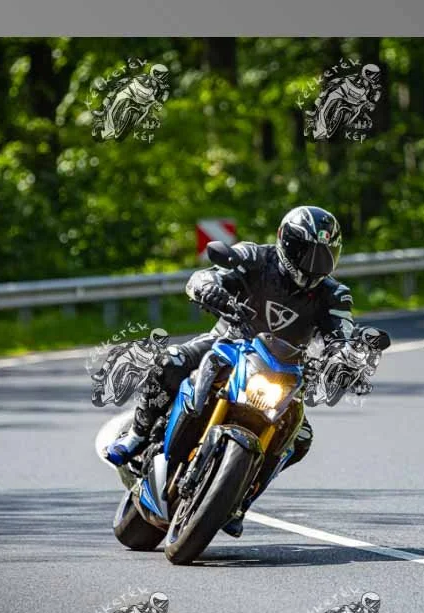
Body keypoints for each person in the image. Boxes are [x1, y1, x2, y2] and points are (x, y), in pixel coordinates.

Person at [104, 205, 356, 536]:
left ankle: (241, 500)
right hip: (227, 342)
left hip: (284, 370)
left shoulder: (335, 295)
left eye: (323, 256)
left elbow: (344, 334)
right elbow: (204, 276)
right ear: (286, 242)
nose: (313, 264)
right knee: (169, 362)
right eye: (306, 253)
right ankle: (137, 435)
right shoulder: (254, 257)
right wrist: (209, 288)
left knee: (301, 438)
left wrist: (344, 357)